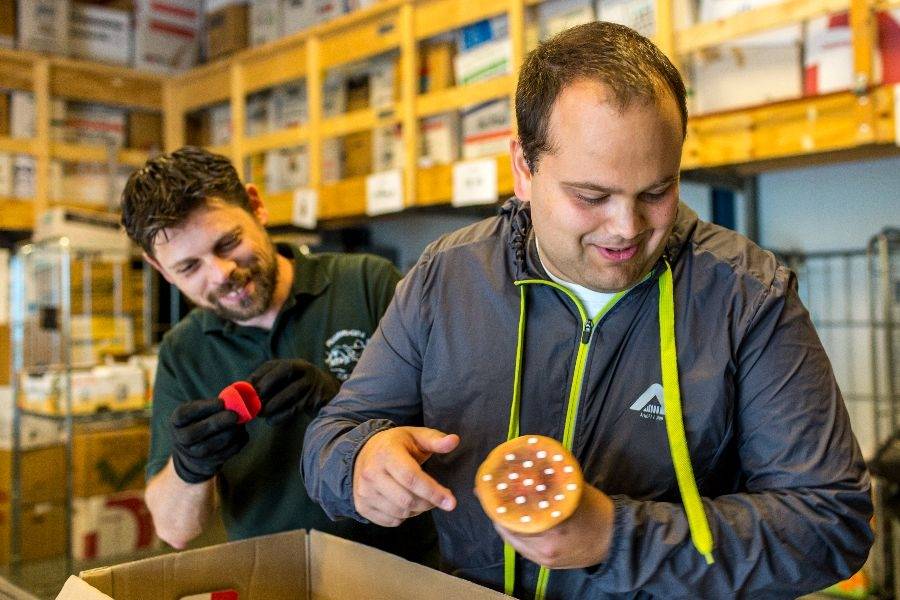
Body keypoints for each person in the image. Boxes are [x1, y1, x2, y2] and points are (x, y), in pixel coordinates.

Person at [302, 22, 873, 599]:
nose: (627, 229)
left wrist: (615, 536)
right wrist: (360, 462)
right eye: (591, 196)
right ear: (524, 169)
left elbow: (831, 523)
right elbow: (332, 437)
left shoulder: (748, 298)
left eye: (657, 191)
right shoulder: (445, 278)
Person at [121, 146, 433, 560]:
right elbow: (175, 529)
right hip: (272, 581)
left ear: (256, 206)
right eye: (189, 268)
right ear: (160, 269)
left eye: (228, 242)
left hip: (401, 573)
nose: (221, 273)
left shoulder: (366, 284)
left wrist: (341, 401)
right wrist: (189, 467)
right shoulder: (184, 351)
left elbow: (453, 429)